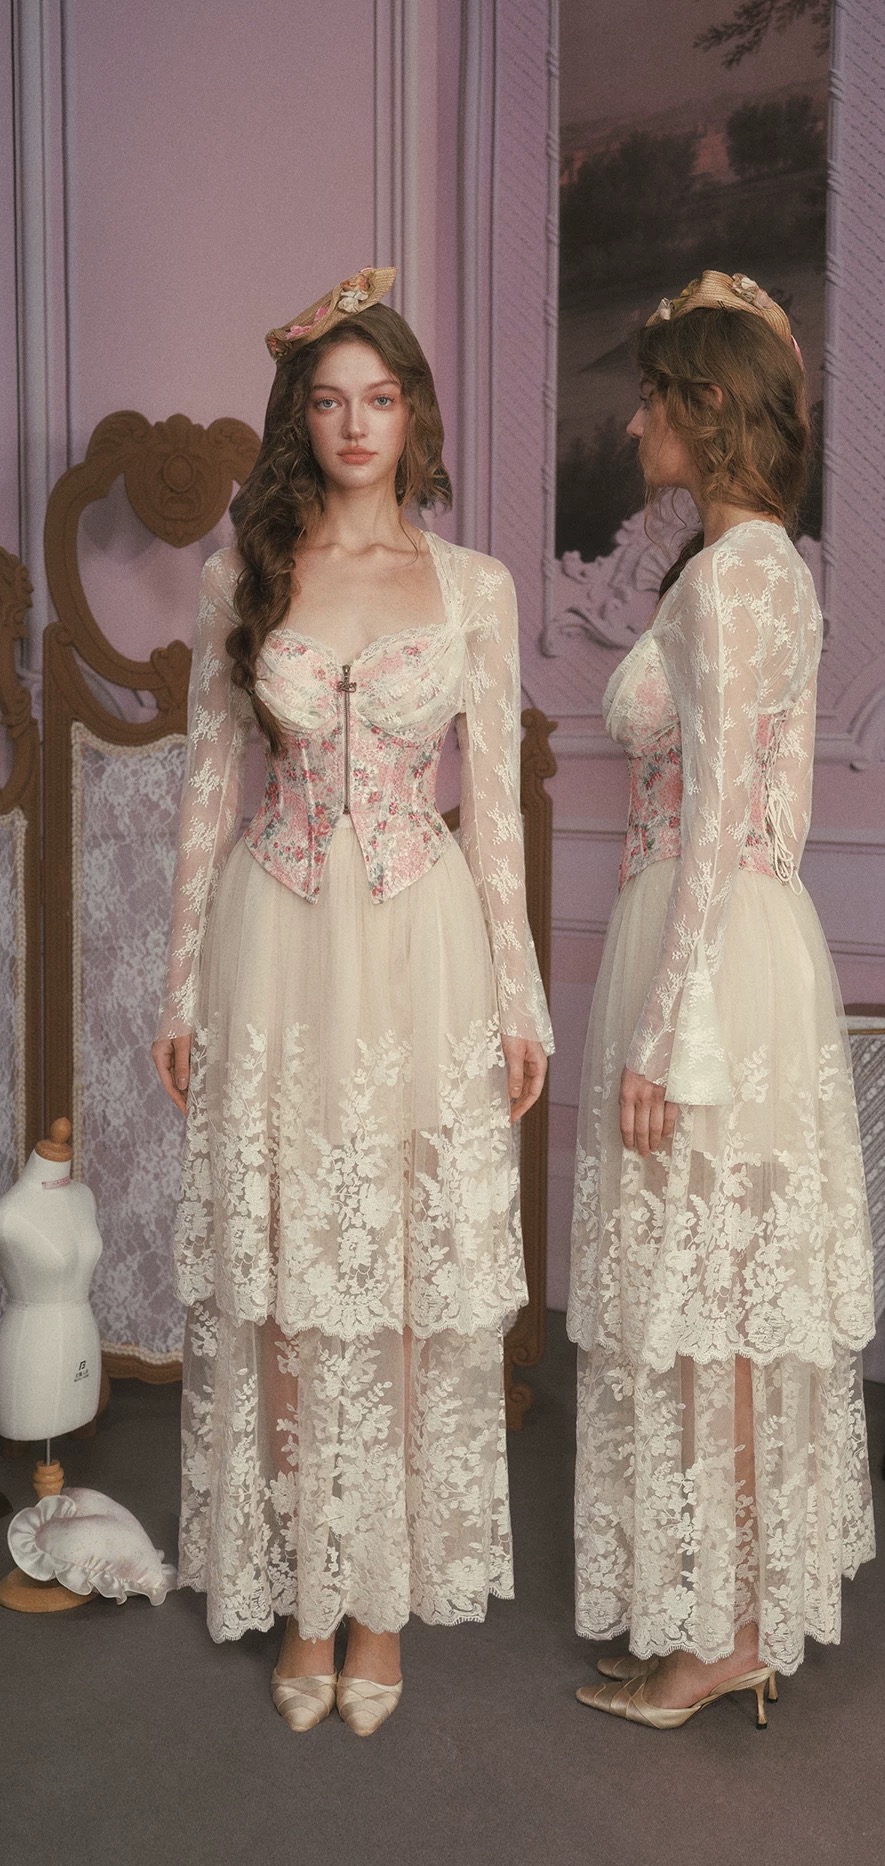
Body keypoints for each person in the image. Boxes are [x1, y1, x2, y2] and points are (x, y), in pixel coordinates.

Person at [151, 268, 552, 1735]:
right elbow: (208, 792)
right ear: (299, 418)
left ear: (413, 413)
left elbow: (493, 815)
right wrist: (180, 984)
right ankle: (305, 1590)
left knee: (395, 1261)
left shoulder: (476, 586)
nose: (355, 425)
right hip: (275, 938)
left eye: (378, 399)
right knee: (287, 1259)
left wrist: (522, 1001)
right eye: (327, 402)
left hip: (419, 946)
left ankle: (379, 1600)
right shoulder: (243, 574)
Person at [568, 271, 875, 1729]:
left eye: (654, 401)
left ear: (705, 410)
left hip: (709, 954)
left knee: (715, 1301)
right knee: (709, 1293)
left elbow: (722, 827)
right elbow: (758, 811)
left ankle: (725, 1632)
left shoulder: (741, 577)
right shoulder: (742, 568)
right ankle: (718, 1616)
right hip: (718, 942)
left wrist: (669, 1029)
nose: (636, 427)